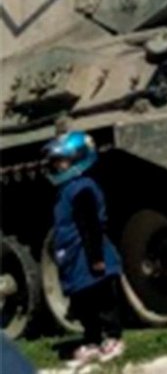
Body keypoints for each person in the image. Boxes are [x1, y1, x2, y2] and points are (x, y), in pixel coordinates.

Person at [45, 130, 125, 366]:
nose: (57, 166)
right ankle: (91, 340)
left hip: (89, 254)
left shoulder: (82, 189)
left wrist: (96, 258)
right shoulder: (67, 190)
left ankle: (112, 338)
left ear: (79, 159)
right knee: (82, 302)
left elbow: (90, 225)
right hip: (73, 258)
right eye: (56, 162)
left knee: (102, 300)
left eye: (62, 161)